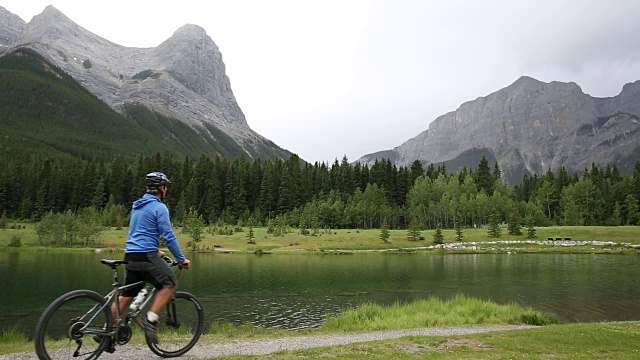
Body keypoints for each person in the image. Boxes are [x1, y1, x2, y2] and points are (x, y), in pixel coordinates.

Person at [112, 172, 191, 345]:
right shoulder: (159, 207)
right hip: (146, 256)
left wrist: (156, 251)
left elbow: (140, 233)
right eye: (166, 187)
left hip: (131, 256)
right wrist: (181, 259)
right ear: (161, 189)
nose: (167, 190)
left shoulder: (137, 206)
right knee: (170, 283)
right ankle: (151, 320)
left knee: (127, 295)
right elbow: (168, 236)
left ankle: (110, 332)